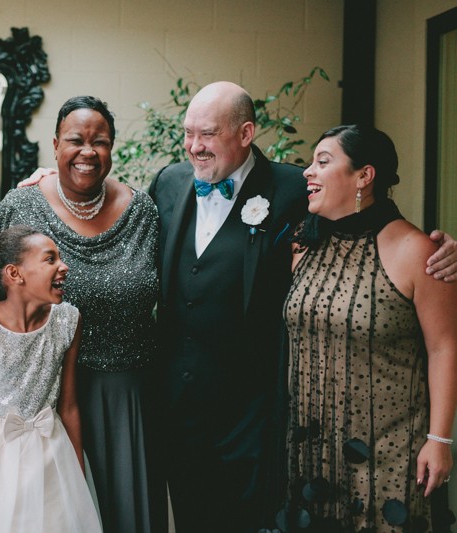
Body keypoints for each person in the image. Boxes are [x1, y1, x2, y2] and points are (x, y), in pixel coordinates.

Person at [147, 81, 457, 532]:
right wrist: (49, 185)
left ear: (246, 133)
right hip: (186, 409)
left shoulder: (296, 189)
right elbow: (117, 215)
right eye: (188, 133)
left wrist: (448, 249)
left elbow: (375, 223)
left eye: (208, 134)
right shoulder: (169, 182)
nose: (195, 146)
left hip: (259, 418)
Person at [0, 96, 163, 532]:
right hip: (48, 398)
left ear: (112, 149)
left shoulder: (144, 211)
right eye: (75, 140)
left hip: (128, 397)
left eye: (100, 142)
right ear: (54, 146)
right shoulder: (22, 206)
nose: (88, 151)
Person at [282, 125, 457, 532]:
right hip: (312, 447)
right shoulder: (302, 244)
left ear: (365, 176)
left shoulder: (418, 251)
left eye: (322, 162)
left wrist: (441, 439)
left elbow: (444, 348)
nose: (308, 171)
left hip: (390, 447)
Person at [0, 225, 102, 533]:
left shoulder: (68, 320)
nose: (63, 266)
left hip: (51, 455)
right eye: (50, 259)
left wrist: (77, 480)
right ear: (14, 273)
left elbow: (69, 407)